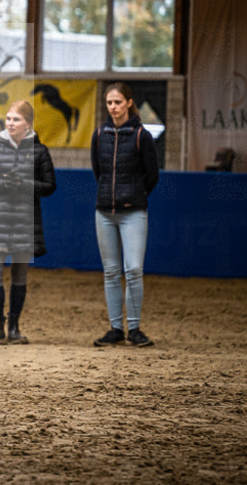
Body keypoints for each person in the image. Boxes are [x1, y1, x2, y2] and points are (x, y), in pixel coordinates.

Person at [0, 100, 56, 344]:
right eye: (8, 119)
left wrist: (26, 185)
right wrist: (4, 184)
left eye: (16, 119)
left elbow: (50, 186)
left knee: (19, 275)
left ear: (28, 124)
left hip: (26, 222)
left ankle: (15, 328)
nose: (11, 123)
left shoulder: (40, 152)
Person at [91, 82, 159, 348]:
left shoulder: (142, 136)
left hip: (134, 212)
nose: (113, 107)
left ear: (129, 103)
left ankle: (134, 328)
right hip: (104, 212)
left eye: (117, 102)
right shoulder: (99, 135)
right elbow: (99, 172)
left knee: (132, 269)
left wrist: (135, 196)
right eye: (109, 103)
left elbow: (152, 176)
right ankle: (115, 328)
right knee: (110, 271)